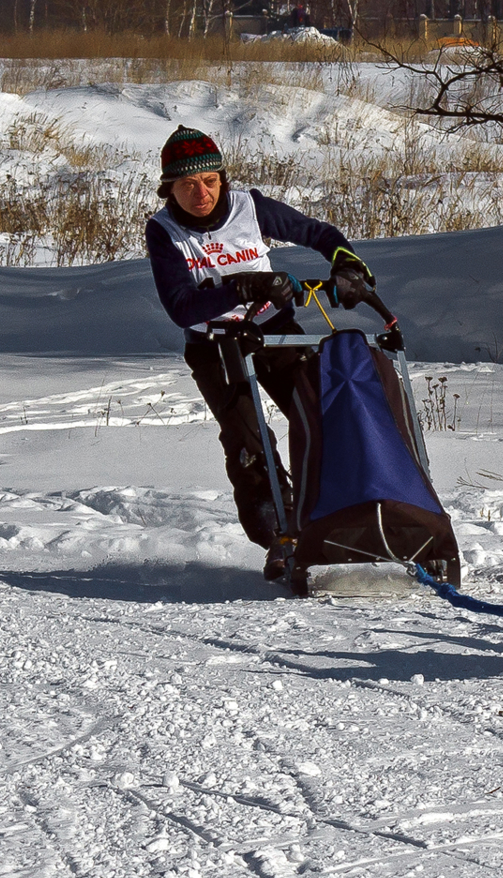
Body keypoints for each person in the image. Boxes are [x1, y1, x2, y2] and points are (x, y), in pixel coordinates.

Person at [146, 125, 374, 577]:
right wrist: (242, 284)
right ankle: (279, 536)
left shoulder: (250, 208)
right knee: (251, 447)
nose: (201, 192)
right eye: (187, 184)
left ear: (222, 179)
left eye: (210, 181)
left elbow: (318, 232)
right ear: (169, 188)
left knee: (323, 419)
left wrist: (347, 263)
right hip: (216, 346)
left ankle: (348, 514)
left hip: (276, 331)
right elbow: (181, 308)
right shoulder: (164, 232)